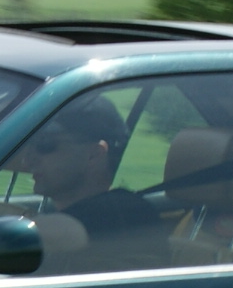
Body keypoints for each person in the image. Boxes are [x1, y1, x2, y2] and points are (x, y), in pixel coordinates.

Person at [11, 94, 163, 267]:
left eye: (45, 144)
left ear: (94, 155)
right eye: (28, 145)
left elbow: (68, 230)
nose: (27, 161)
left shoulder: (127, 214)